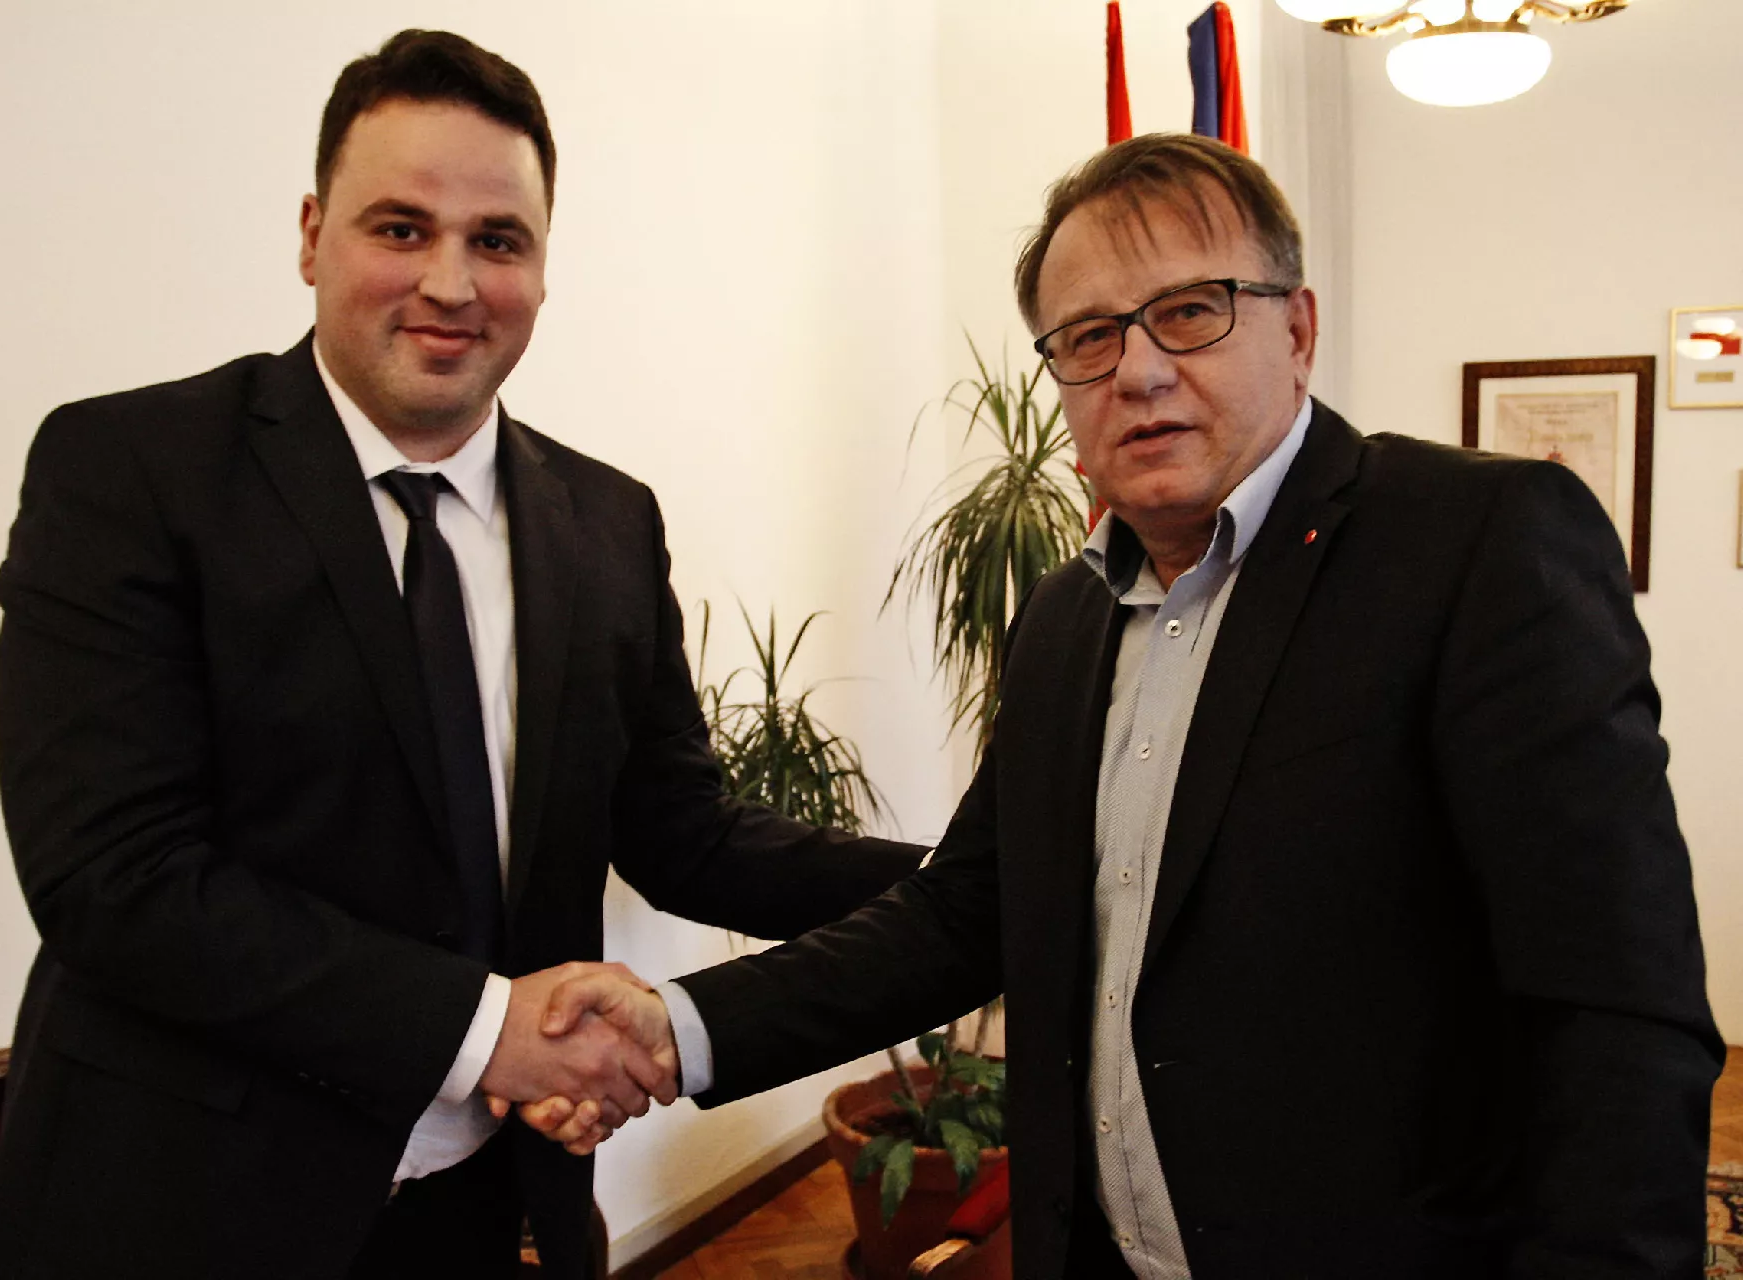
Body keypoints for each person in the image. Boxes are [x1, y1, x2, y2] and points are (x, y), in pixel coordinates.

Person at [524, 134, 1725, 1278]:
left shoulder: (1476, 544)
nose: (1139, 370)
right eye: (1090, 336)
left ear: (1298, 329)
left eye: (1192, 310)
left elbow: (1616, 1007)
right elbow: (968, 910)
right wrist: (675, 1025)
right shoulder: (1064, 616)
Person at [0, 29, 918, 1280]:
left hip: (488, 1212)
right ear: (313, 235)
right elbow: (116, 878)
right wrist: (490, 1028)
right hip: (180, 1212)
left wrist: (968, 877)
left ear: (543, 266)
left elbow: (682, 830)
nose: (452, 282)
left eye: (498, 240)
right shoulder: (131, 471)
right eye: (402, 228)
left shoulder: (607, 520)